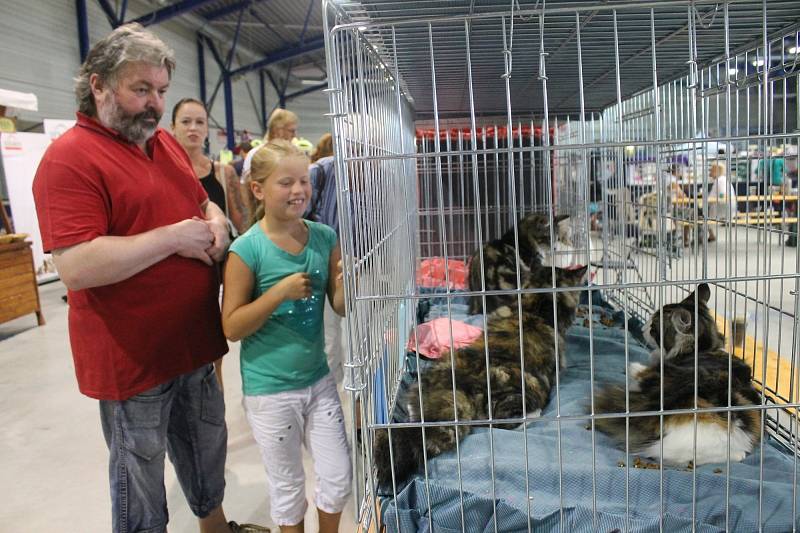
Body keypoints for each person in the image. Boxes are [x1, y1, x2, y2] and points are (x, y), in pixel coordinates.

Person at [31, 23, 267, 533]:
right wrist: (175, 239)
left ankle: (217, 528)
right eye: (141, 90)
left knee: (206, 449)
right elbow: (76, 265)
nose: (155, 104)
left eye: (160, 91)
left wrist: (215, 221)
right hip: (132, 362)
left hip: (190, 344)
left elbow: (200, 199)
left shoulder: (161, 144)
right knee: (138, 476)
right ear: (98, 85)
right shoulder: (70, 159)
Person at [222, 140, 352, 533]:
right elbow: (231, 326)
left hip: (319, 382)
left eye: (304, 181)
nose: (299, 190)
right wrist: (277, 293)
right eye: (286, 182)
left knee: (338, 477)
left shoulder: (325, 237)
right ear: (259, 189)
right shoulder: (247, 250)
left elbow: (340, 305)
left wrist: (351, 284)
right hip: (270, 392)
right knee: (288, 487)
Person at [171, 97, 248, 236]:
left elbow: (243, 224)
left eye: (200, 122)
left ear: (206, 129)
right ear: (173, 127)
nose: (193, 128)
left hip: (219, 254)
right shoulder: (161, 172)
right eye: (186, 122)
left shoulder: (224, 173)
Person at [707, 162, 737, 242]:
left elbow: (722, 194)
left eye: (711, 170)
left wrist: (715, 199)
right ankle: (711, 234)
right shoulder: (722, 179)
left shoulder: (720, 181)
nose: (710, 172)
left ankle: (710, 234)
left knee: (704, 215)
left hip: (722, 207)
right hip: (725, 206)